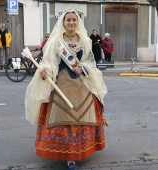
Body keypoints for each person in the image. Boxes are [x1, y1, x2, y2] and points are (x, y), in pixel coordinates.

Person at [25, 9, 107, 170]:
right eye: (68, 20)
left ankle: (79, 151)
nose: (71, 23)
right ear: (63, 22)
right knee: (62, 117)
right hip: (61, 85)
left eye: (74, 20)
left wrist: (82, 68)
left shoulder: (85, 41)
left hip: (82, 85)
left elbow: (91, 63)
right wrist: (45, 71)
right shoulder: (56, 42)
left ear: (78, 22)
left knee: (82, 116)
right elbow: (49, 62)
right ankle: (68, 156)